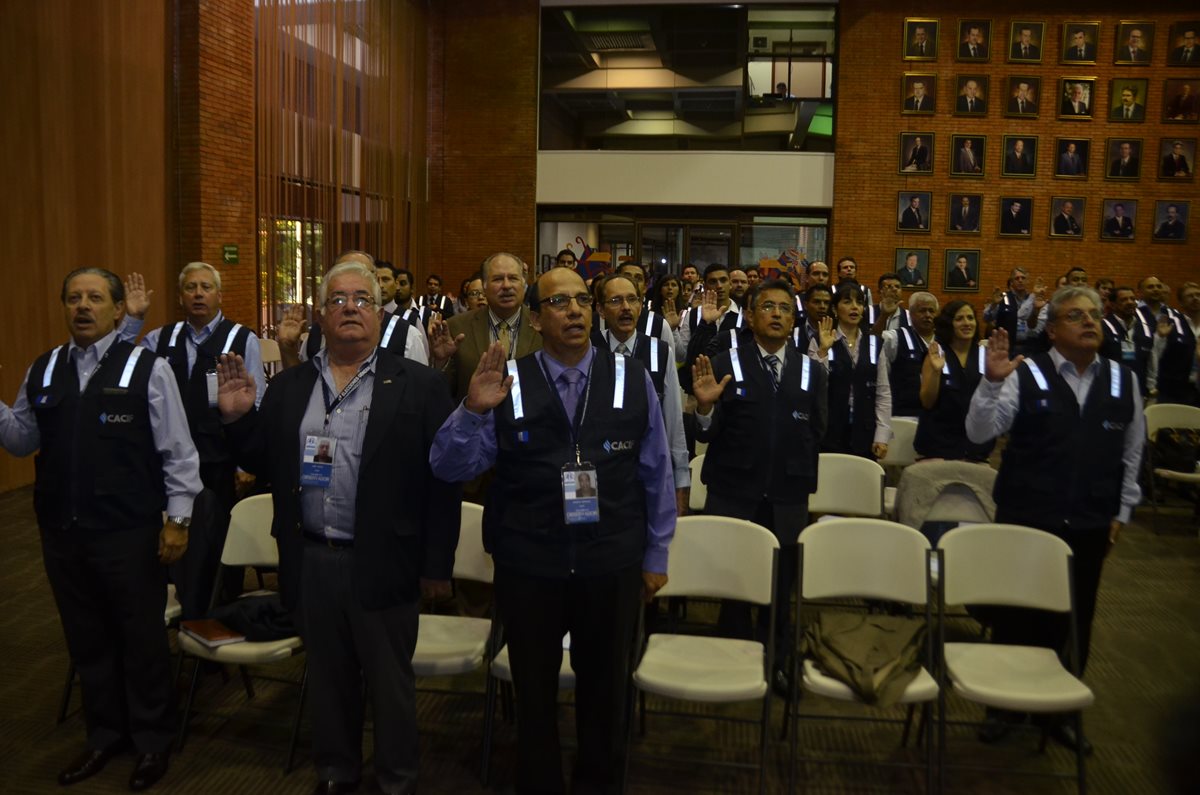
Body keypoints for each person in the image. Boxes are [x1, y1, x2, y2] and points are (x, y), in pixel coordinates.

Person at [216, 261, 461, 794]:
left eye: (362, 299)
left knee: (390, 685)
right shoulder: (291, 387)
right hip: (312, 558)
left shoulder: (417, 385)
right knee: (327, 681)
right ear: (321, 318)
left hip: (385, 559)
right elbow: (265, 460)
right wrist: (239, 420)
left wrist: (436, 564)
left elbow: (443, 483)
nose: (350, 307)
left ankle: (396, 780)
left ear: (377, 314)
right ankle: (335, 772)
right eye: (338, 300)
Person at [430, 267, 675, 794]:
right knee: (535, 694)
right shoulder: (507, 380)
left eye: (583, 300)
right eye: (560, 302)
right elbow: (450, 467)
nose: (575, 310)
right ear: (537, 320)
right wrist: (472, 410)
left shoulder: (633, 378)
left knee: (606, 691)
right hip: (530, 564)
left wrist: (657, 555)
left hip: (610, 562)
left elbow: (656, 473)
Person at [0, 268, 202, 791]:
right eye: (73, 298)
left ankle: (153, 742)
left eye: (94, 298)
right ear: (63, 308)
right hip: (62, 535)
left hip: (128, 533)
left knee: (141, 640)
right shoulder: (44, 368)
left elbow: (178, 454)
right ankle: (105, 735)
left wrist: (177, 522)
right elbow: (22, 439)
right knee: (87, 640)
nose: (82, 307)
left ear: (118, 310)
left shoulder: (147, 368)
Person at [966, 287, 1144, 752]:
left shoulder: (1125, 381)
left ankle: (1058, 713)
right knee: (1017, 614)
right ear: (1051, 330)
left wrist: (1122, 511)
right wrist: (989, 383)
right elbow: (979, 433)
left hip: (1090, 519)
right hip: (1027, 515)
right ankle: (1004, 705)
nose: (1090, 323)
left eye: (1094, 315)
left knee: (1075, 616)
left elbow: (1132, 453)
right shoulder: (1027, 374)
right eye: (1075, 316)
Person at [691, 279, 827, 694]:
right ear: (750, 316)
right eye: (767, 306)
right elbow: (708, 433)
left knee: (779, 588)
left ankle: (779, 660)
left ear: (793, 319)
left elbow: (819, 429)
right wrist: (704, 406)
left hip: (787, 496)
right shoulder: (725, 361)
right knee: (732, 586)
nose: (776, 314)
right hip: (734, 492)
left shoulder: (812, 369)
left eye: (785, 308)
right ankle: (732, 657)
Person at [133, 262, 262, 617]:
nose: (198, 294)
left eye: (206, 287)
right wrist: (132, 320)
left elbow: (256, 402)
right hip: (166, 463)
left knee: (217, 543)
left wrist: (244, 464)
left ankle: (220, 614)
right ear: (180, 296)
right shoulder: (159, 339)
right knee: (171, 542)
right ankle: (180, 610)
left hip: (218, 460)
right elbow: (119, 367)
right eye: (191, 287)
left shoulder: (241, 338)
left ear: (219, 295)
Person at [594, 273, 690, 515]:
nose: (626, 308)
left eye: (632, 300)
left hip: (646, 471)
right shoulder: (589, 349)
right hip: (599, 471)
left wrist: (679, 481)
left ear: (640, 305)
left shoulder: (660, 351)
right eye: (616, 301)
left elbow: (673, 421)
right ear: (601, 310)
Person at [430, 252, 542, 404]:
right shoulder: (456, 327)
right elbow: (444, 393)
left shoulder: (543, 326)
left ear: (524, 283)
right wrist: (441, 362)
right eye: (497, 279)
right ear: (484, 285)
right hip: (474, 422)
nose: (506, 285)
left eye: (513, 278)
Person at [816, 280, 890, 460]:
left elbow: (883, 392)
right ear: (835, 309)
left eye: (859, 302)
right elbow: (814, 385)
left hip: (865, 430)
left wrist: (882, 436)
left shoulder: (874, 343)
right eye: (847, 302)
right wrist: (823, 351)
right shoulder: (821, 339)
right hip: (830, 429)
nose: (855, 307)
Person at [915, 300, 992, 461]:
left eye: (970, 318)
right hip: (939, 447)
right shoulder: (936, 354)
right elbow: (927, 402)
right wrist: (936, 372)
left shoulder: (985, 355)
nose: (966, 323)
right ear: (949, 324)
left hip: (976, 449)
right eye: (959, 319)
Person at [880, 292, 938, 418]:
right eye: (922, 311)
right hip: (902, 416)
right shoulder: (895, 337)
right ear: (911, 314)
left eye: (931, 311)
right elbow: (873, 342)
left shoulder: (944, 341)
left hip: (935, 417)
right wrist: (884, 316)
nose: (927, 315)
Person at [679, 263, 746, 371]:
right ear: (705, 286)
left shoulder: (743, 315)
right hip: (700, 377)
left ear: (730, 284)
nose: (719, 286)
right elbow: (682, 356)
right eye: (713, 281)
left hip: (733, 379)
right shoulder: (693, 314)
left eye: (723, 280)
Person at [1101, 285, 1155, 397]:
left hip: (1139, 391)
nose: (1130, 302)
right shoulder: (1103, 327)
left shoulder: (1145, 329)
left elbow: (1151, 361)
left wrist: (1151, 388)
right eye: (1124, 300)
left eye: (1132, 299)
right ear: (1112, 304)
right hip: (1109, 390)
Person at [1152, 282, 1200, 406]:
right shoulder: (1172, 323)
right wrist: (1161, 337)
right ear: (1181, 302)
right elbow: (1156, 355)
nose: (1195, 298)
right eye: (1190, 296)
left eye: (1198, 295)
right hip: (1173, 391)